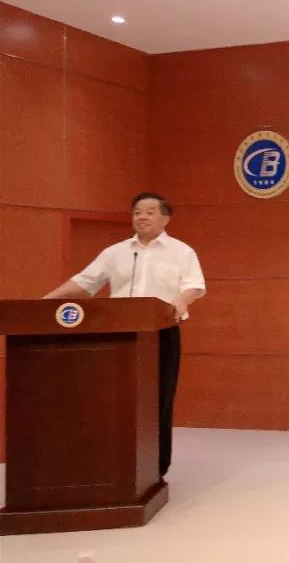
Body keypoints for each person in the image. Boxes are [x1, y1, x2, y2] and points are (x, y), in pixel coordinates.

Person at [43, 192, 206, 477]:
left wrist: (182, 301)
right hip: (117, 337)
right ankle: (115, 464)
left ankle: (155, 468)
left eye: (150, 212)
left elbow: (194, 285)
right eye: (137, 212)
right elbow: (84, 282)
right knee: (115, 400)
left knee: (159, 400)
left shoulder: (182, 252)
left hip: (161, 334)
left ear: (165, 218)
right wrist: (45, 301)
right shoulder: (115, 252)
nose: (142, 217)